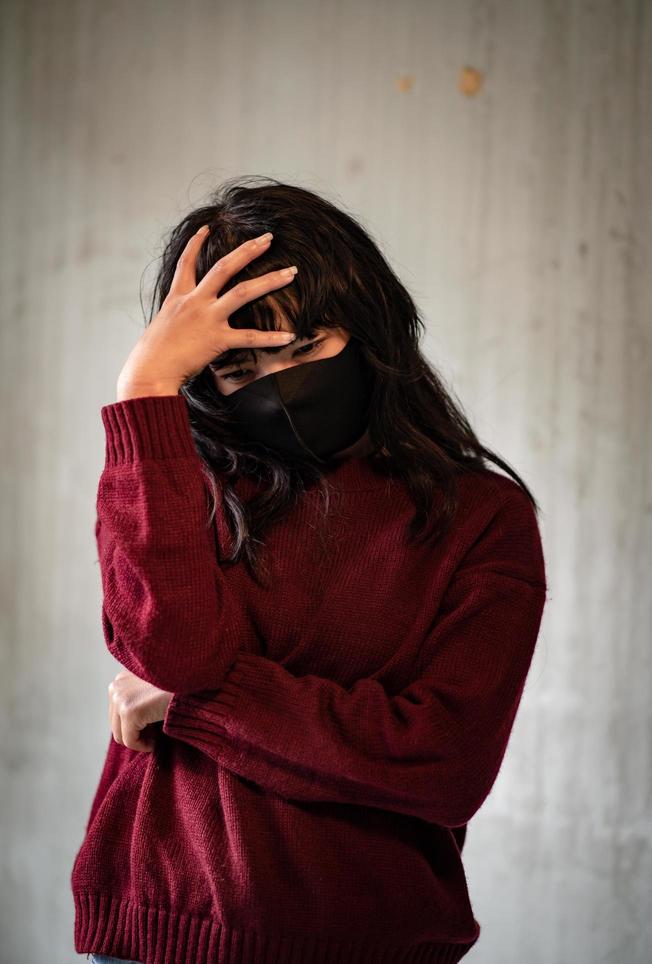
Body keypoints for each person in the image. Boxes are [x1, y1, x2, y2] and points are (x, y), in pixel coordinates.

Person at [71, 177, 548, 964]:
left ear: (367, 329)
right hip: (154, 940)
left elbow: (444, 761)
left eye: (302, 349)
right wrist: (143, 393)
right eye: (235, 371)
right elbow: (177, 658)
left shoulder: (479, 517)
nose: (278, 390)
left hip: (365, 943)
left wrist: (196, 709)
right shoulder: (171, 481)